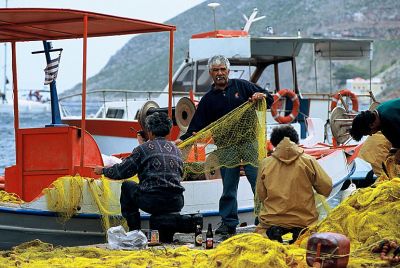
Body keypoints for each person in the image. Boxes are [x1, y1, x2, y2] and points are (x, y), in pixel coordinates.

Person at [175, 55, 274, 235]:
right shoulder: (208, 100)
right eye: (216, 70)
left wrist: (262, 96)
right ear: (210, 73)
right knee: (229, 187)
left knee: (258, 183)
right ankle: (228, 223)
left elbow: (270, 99)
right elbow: (196, 127)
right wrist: (183, 141)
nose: (220, 73)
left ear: (228, 71)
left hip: (250, 143)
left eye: (223, 69)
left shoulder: (242, 86)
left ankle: (265, 220)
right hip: (226, 147)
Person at [94, 112, 185, 231]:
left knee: (127, 186)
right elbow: (180, 174)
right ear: (169, 131)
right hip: (176, 201)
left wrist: (103, 171)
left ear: (149, 131)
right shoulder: (177, 150)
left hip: (152, 201)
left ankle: (134, 231)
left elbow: (122, 172)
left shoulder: (142, 149)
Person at [256, 125, 332, 244]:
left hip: (273, 219)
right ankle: (300, 232)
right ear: (295, 141)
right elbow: (326, 187)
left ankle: (275, 231)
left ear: (275, 143)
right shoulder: (308, 161)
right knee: (307, 230)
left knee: (265, 230)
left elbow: (261, 195)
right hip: (304, 219)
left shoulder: (265, 164)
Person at [350, 98, 400, 164]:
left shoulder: (389, 119)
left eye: (368, 133)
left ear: (371, 125)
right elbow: (397, 143)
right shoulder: (380, 119)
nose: (371, 135)